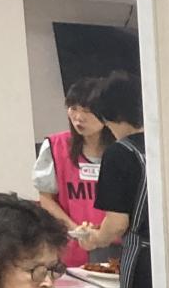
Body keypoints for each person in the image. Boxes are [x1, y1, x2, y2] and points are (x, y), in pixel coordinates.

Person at [71, 71, 157, 288]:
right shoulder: (163, 146)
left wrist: (93, 239)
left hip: (144, 261)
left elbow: (117, 224)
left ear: (109, 114)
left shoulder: (120, 153)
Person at [32, 78, 113, 270]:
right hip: (71, 248)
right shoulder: (55, 146)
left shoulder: (124, 150)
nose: (78, 117)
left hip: (116, 248)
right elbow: (46, 199)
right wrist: (76, 229)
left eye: (87, 110)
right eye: (73, 108)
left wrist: (102, 235)